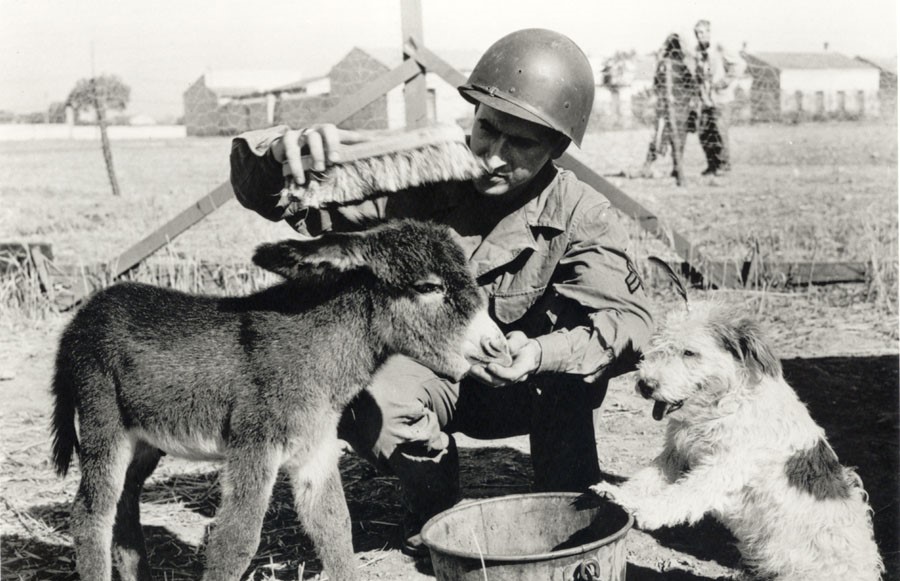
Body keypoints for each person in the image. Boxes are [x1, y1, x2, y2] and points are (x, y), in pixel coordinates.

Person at [230, 28, 653, 557]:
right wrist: (279, 156)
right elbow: (291, 204)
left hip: (530, 390)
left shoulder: (582, 214)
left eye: (520, 143)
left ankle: (566, 501)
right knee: (372, 393)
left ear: (557, 149)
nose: (493, 156)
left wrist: (540, 353)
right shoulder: (426, 174)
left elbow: (630, 325)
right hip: (437, 375)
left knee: (574, 520)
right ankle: (436, 502)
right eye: (487, 129)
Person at [640, 33, 698, 184]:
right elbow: (691, 86)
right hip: (676, 107)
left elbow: (657, 84)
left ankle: (654, 166)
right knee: (674, 138)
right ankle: (675, 167)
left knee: (659, 137)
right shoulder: (681, 65)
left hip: (671, 107)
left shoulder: (666, 64)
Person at [693, 19, 746, 176]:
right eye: (697, 33)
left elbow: (740, 65)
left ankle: (724, 166)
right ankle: (712, 165)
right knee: (704, 132)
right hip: (705, 99)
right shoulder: (697, 51)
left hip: (721, 99)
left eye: (702, 32)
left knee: (719, 132)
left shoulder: (719, 48)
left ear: (709, 32)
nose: (699, 36)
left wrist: (724, 82)